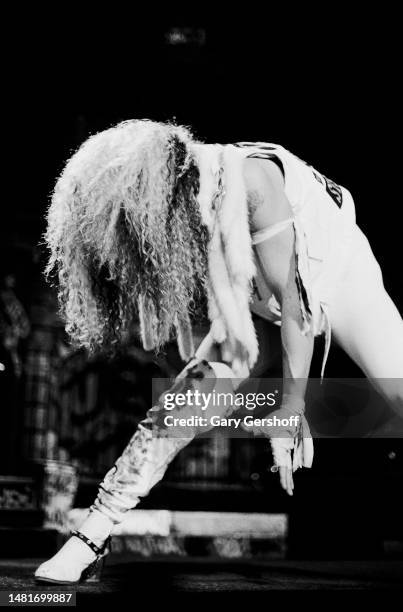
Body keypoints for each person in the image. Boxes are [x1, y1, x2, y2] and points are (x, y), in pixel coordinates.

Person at [35, 119, 403, 584]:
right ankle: (92, 535)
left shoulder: (250, 180)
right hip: (248, 292)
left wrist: (290, 408)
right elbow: (199, 344)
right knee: (183, 403)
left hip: (332, 276)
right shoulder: (171, 220)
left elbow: (295, 301)